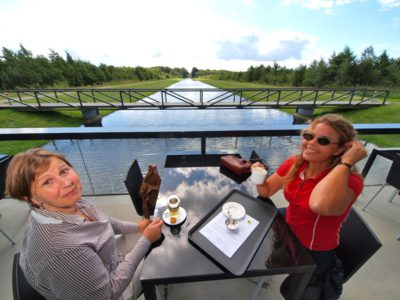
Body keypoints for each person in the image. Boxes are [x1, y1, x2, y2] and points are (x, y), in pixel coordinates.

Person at [5, 148, 163, 300]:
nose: (66, 182)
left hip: (105, 258)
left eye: (63, 171)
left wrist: (138, 228)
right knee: (161, 260)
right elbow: (108, 293)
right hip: (110, 291)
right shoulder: (61, 249)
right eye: (48, 181)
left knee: (159, 235)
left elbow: (102, 221)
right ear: (30, 198)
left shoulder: (64, 201)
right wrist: (146, 240)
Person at [252, 114, 368, 300]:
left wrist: (347, 162)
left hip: (312, 251)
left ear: (340, 150)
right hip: (287, 230)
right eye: (308, 136)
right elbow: (266, 191)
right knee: (248, 232)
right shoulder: (295, 164)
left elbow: (318, 204)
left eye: (323, 140)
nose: (311, 143)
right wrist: (258, 175)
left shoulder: (350, 181)